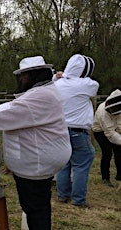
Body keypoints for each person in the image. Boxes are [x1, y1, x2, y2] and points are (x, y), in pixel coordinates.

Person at [0, 56, 71, 230]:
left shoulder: (38, 97)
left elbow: (4, 114)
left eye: (23, 76)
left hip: (37, 165)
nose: (21, 79)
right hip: (43, 162)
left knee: (35, 210)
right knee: (39, 206)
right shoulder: (47, 91)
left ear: (33, 75)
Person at [54, 54, 99, 207]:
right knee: (82, 163)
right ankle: (78, 200)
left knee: (64, 163)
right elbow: (95, 85)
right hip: (78, 131)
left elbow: (52, 82)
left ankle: (62, 195)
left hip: (60, 130)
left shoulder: (58, 84)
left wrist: (62, 76)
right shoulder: (84, 85)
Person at [92, 89, 121, 187]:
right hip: (100, 131)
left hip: (115, 129)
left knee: (119, 151)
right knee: (107, 152)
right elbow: (110, 134)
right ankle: (105, 178)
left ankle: (119, 175)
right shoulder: (102, 112)